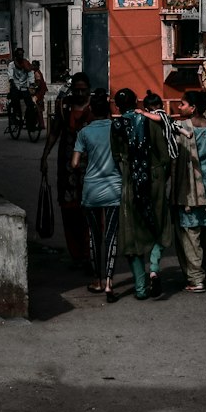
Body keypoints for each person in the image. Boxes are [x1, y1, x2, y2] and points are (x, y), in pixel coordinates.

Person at [110, 87, 172, 300]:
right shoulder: (149, 122)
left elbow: (116, 156)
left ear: (118, 106)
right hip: (153, 179)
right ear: (137, 102)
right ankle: (154, 267)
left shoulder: (116, 125)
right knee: (160, 225)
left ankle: (140, 288)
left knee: (132, 236)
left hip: (130, 182)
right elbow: (165, 156)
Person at [172, 89, 206, 293]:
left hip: (189, 191)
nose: (179, 107)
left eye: (182, 104)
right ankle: (204, 273)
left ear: (192, 107)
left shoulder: (182, 128)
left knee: (189, 235)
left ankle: (196, 278)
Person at [71, 90, 122, 301]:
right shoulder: (117, 129)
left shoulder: (84, 132)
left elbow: (74, 163)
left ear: (91, 109)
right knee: (111, 237)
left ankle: (97, 280)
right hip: (114, 189)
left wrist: (86, 163)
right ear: (109, 109)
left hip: (91, 190)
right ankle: (110, 283)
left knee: (94, 236)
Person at [41, 71, 93, 264]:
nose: (79, 94)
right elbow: (54, 132)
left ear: (89, 90)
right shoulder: (64, 107)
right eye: (77, 90)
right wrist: (45, 156)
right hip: (67, 168)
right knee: (69, 212)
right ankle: (76, 255)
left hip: (90, 169)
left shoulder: (96, 109)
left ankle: (89, 253)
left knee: (88, 213)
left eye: (83, 90)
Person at [7, 46, 34, 126]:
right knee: (15, 101)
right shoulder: (12, 64)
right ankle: (16, 116)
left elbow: (30, 74)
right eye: (19, 55)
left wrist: (32, 83)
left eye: (21, 55)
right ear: (16, 56)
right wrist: (12, 83)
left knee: (30, 104)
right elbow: (10, 76)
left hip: (24, 86)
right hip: (15, 86)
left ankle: (29, 119)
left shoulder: (26, 63)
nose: (20, 57)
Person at [30, 59, 48, 129]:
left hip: (39, 92)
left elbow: (38, 84)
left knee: (37, 107)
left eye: (34, 65)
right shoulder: (37, 72)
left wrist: (33, 88)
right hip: (41, 92)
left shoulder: (37, 73)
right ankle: (40, 123)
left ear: (37, 66)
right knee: (39, 108)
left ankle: (40, 124)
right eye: (32, 65)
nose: (32, 66)